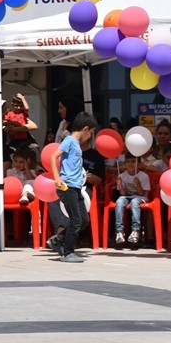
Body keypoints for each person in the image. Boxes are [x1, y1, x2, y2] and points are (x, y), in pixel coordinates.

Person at [49, 111, 98, 263]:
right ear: (85, 129)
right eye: (90, 132)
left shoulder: (76, 144)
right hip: (67, 186)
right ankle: (68, 252)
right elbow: (53, 157)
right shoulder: (69, 140)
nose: (90, 136)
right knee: (76, 220)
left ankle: (59, 239)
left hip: (76, 187)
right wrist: (57, 177)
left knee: (83, 220)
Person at [113, 156, 149, 247]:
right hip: (127, 196)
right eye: (128, 162)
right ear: (125, 164)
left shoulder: (143, 176)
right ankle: (119, 231)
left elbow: (141, 193)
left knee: (134, 202)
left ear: (139, 164)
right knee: (119, 201)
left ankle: (135, 230)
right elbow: (123, 194)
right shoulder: (122, 175)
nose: (130, 164)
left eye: (133, 161)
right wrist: (120, 185)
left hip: (140, 197)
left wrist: (137, 184)